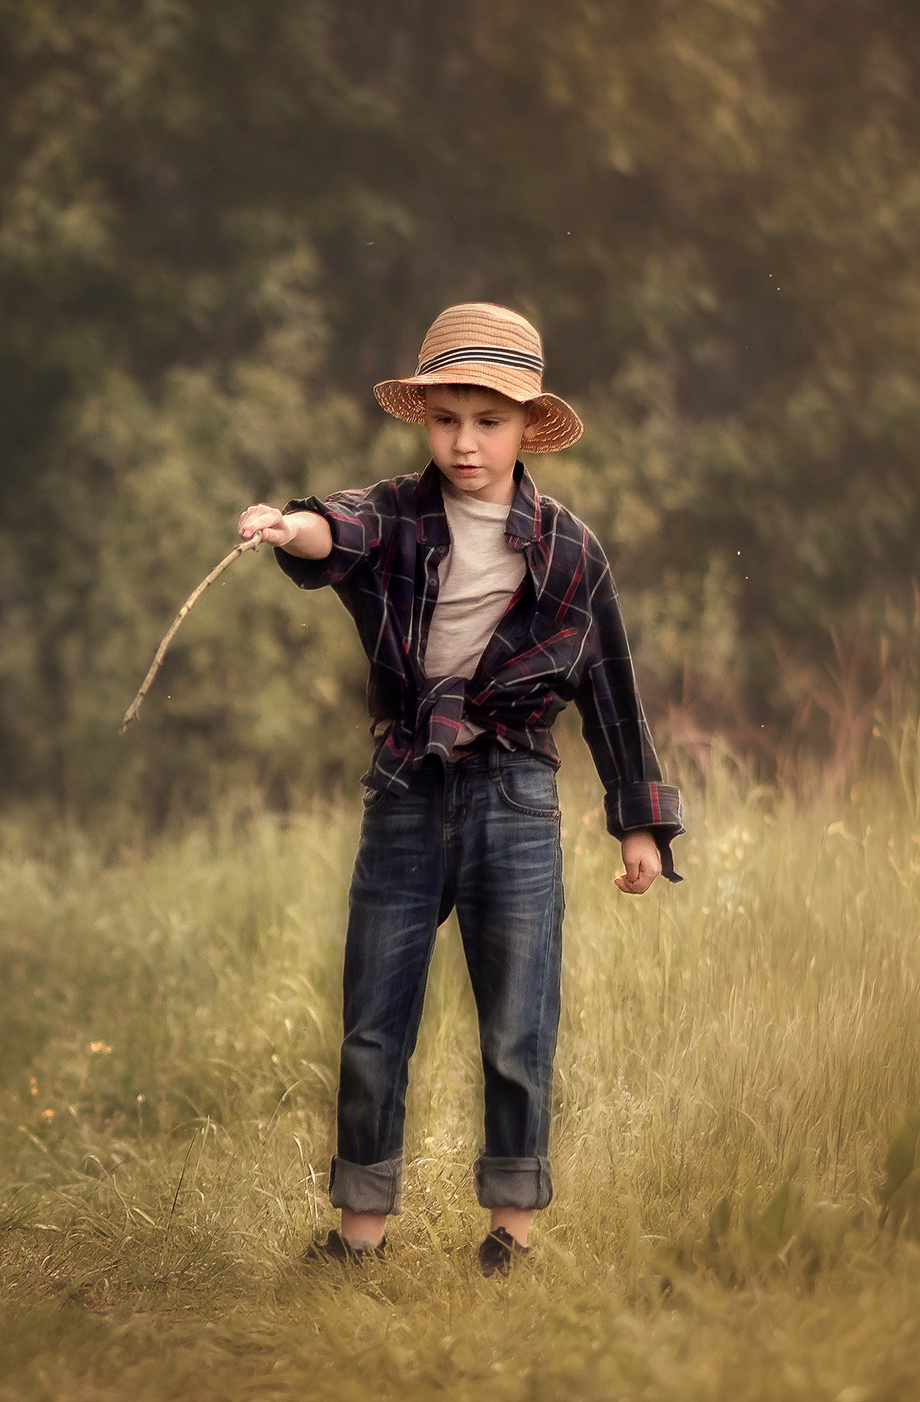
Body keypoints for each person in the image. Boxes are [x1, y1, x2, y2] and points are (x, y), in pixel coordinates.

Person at [238, 302, 682, 1276]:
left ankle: (510, 1233)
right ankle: (361, 1234)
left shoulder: (569, 551)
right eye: (446, 419)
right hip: (406, 786)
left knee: (518, 1020)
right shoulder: (395, 516)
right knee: (373, 1018)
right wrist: (291, 526)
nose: (465, 441)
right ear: (423, 419)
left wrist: (638, 825)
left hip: (516, 794)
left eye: (487, 420)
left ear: (528, 428)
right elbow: (337, 531)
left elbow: (611, 689)